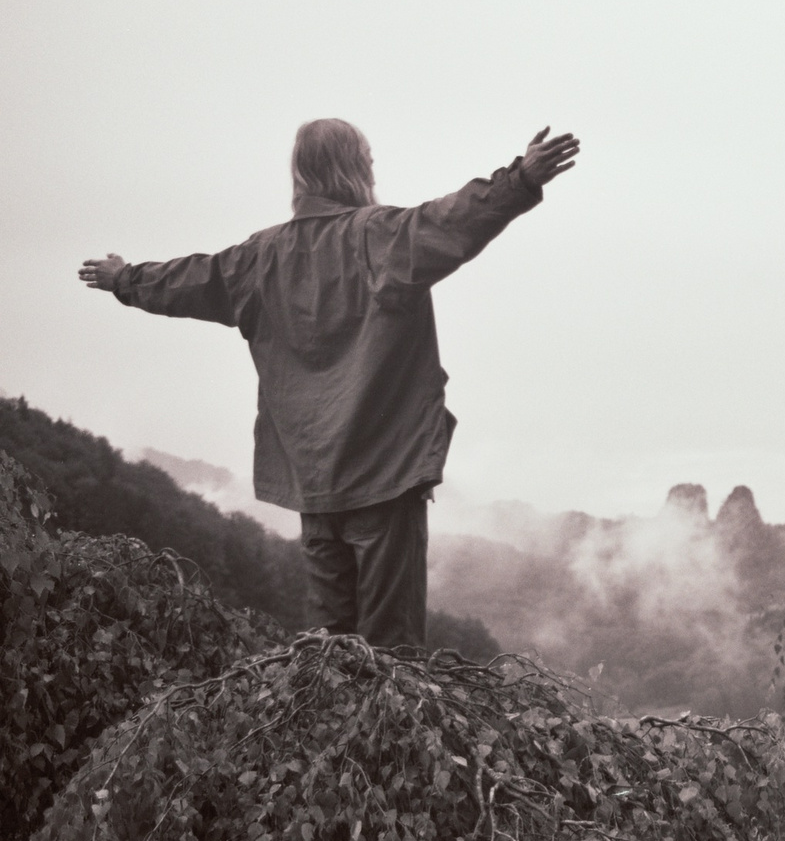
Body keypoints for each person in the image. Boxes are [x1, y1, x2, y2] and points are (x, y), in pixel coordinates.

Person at [77, 119, 580, 646]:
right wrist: (521, 178)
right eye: (368, 159)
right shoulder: (379, 237)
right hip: (385, 476)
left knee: (328, 652)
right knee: (392, 652)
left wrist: (125, 278)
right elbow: (456, 220)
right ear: (355, 167)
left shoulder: (259, 258)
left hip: (313, 483)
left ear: (302, 173)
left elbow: (190, 279)